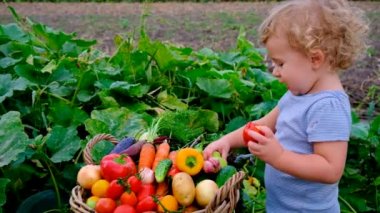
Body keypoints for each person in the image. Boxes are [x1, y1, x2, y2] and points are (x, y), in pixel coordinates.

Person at [203, 0, 369, 212]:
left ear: (315, 59)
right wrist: (227, 141)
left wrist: (279, 157)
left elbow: (330, 169)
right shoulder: (297, 94)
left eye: (280, 63)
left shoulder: (328, 107)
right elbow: (262, 126)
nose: (274, 71)